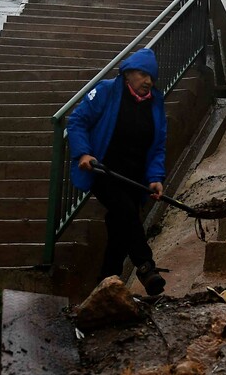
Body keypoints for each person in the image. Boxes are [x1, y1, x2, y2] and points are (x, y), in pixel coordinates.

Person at [67, 48, 168, 295]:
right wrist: (83, 153)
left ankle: (105, 285)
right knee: (125, 211)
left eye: (151, 77)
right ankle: (145, 267)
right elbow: (77, 121)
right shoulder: (106, 91)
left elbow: (158, 145)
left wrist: (155, 177)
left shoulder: (155, 103)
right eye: (143, 74)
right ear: (127, 73)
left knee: (119, 229)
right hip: (104, 171)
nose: (148, 82)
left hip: (135, 177)